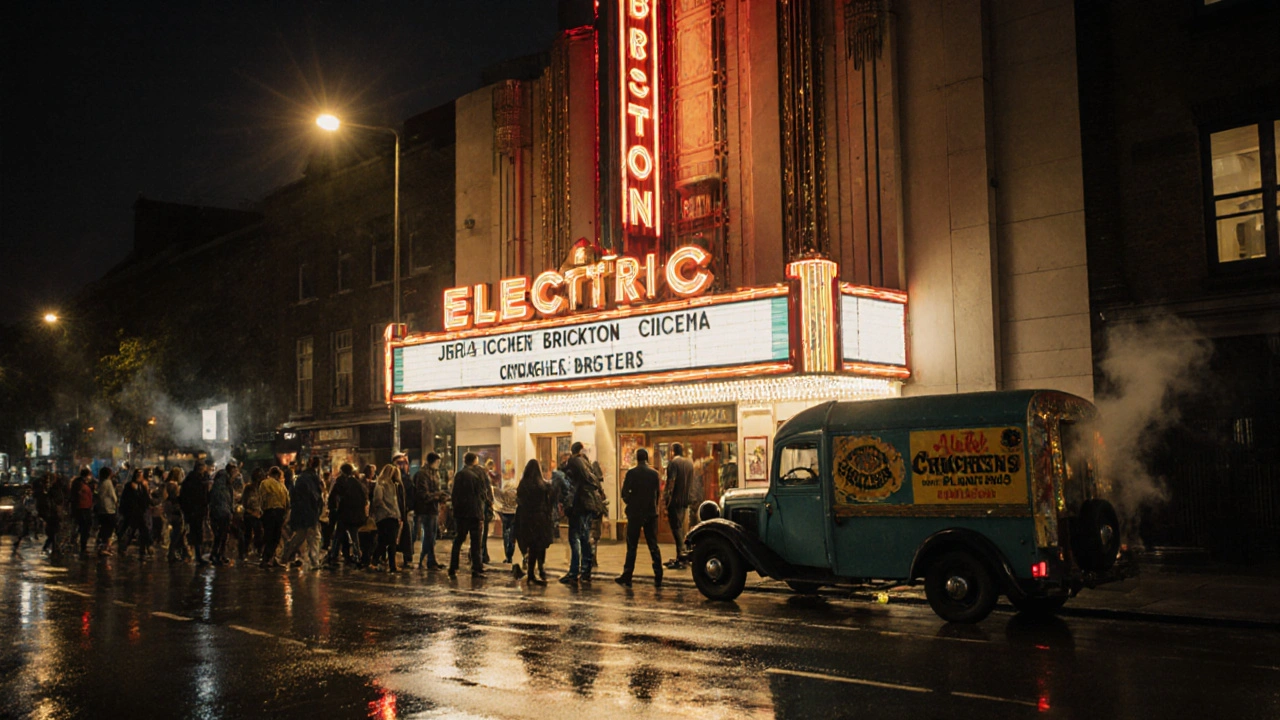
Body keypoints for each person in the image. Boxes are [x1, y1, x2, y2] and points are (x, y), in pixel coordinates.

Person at [616, 448, 664, 587]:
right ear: (647, 458)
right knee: (653, 544)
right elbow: (657, 494)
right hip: (650, 513)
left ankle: (627, 574)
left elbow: (624, 493)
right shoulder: (654, 474)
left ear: (637, 458)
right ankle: (658, 574)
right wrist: (653, 507)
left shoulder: (631, 473)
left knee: (632, 545)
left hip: (635, 513)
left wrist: (631, 502)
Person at [560, 442, 604, 585]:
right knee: (585, 537)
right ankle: (586, 571)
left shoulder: (573, 462)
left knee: (575, 538)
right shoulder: (587, 462)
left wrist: (566, 504)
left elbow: (570, 485)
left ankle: (574, 572)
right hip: (589, 505)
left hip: (578, 505)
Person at [279, 457, 325, 571]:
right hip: (309, 513)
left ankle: (285, 556)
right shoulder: (312, 479)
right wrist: (317, 509)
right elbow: (315, 497)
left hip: (300, 513)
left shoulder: (301, 479)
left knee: (300, 536)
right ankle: (314, 562)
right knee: (313, 537)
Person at [448, 452, 488, 577]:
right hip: (474, 513)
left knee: (459, 539)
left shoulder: (459, 475)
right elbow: (482, 494)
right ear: (475, 461)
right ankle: (476, 568)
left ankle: (453, 567)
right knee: (475, 541)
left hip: (461, 514)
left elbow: (454, 495)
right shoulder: (476, 475)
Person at [514, 459, 554, 585]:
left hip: (526, 518)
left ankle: (531, 572)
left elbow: (519, 501)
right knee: (540, 544)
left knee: (531, 545)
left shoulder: (523, 485)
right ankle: (540, 568)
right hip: (540, 518)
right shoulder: (543, 485)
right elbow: (549, 502)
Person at [326, 463, 368, 567]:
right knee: (354, 536)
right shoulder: (357, 483)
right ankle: (357, 555)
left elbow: (333, 497)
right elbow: (364, 498)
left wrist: (333, 509)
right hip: (355, 515)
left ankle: (333, 555)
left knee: (338, 535)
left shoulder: (340, 481)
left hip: (344, 513)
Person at [410, 453, 446, 570]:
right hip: (425, 509)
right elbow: (423, 494)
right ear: (433, 462)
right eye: (437, 462)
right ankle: (427, 560)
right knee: (429, 536)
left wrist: (440, 496)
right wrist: (438, 496)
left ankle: (428, 560)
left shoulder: (434, 473)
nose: (438, 465)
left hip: (433, 508)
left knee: (432, 536)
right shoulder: (422, 474)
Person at [663, 443, 695, 569]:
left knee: (676, 528)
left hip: (675, 500)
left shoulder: (673, 464)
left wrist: (666, 499)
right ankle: (682, 555)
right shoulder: (689, 463)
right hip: (686, 499)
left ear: (672, 451)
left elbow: (671, 483)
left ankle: (681, 556)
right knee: (682, 527)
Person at [368, 464, 404, 572]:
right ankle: (391, 565)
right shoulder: (382, 485)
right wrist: (390, 511)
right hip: (386, 516)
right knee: (389, 541)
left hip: (388, 516)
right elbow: (378, 500)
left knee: (384, 541)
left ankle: (376, 561)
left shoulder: (389, 485)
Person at [117, 469, 153, 560]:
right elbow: (126, 499)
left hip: (140, 512)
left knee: (142, 530)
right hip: (132, 512)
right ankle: (124, 547)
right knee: (131, 530)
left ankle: (143, 548)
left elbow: (146, 499)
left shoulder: (142, 486)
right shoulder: (129, 486)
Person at [258, 467, 290, 568]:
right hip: (280, 513)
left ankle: (267, 559)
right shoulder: (282, 487)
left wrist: (262, 510)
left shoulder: (264, 483)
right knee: (276, 537)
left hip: (269, 512)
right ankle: (269, 559)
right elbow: (287, 502)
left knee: (269, 536)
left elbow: (262, 499)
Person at [181, 461, 211, 565]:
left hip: (198, 510)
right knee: (196, 533)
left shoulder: (197, 480)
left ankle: (195, 554)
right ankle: (196, 555)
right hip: (194, 510)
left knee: (197, 533)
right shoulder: (194, 481)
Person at [207, 464, 235, 565]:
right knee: (223, 535)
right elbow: (228, 500)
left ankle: (215, 554)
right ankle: (218, 555)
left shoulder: (216, 485)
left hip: (216, 512)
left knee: (219, 535)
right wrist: (230, 511)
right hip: (223, 513)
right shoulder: (226, 485)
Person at [392, 453, 414, 570]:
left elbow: (411, 494)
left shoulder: (406, 478)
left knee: (406, 535)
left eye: (404, 463)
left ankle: (407, 557)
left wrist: (409, 507)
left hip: (405, 511)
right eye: (399, 463)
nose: (402, 466)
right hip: (395, 511)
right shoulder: (393, 479)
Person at [240, 468, 265, 561]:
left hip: (259, 513)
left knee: (260, 533)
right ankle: (245, 552)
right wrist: (252, 511)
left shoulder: (262, 488)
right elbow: (245, 502)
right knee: (248, 534)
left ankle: (258, 550)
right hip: (250, 514)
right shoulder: (248, 488)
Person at [163, 467, 186, 562]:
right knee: (178, 531)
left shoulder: (168, 484)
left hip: (170, 510)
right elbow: (175, 498)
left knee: (178, 531)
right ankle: (172, 553)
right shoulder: (173, 485)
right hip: (175, 511)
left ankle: (179, 553)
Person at [70, 469, 96, 554]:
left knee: (84, 528)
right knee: (84, 528)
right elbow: (77, 495)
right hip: (82, 508)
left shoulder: (83, 483)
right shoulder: (79, 484)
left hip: (85, 507)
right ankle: (82, 547)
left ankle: (81, 545)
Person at [95, 466, 118, 557]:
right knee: (108, 529)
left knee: (103, 528)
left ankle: (102, 547)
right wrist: (116, 502)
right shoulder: (108, 483)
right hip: (109, 510)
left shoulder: (101, 483)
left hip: (102, 509)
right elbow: (113, 496)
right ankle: (104, 548)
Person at [496, 481, 519, 573]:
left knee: (505, 534)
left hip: (505, 514)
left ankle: (507, 556)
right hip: (514, 514)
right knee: (512, 536)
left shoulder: (504, 493)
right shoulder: (516, 494)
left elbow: (498, 497)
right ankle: (511, 554)